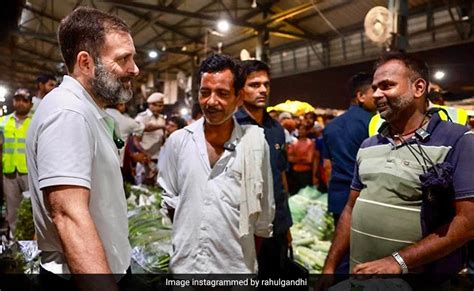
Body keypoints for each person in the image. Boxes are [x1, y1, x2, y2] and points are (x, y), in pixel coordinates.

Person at [322, 52, 474, 281]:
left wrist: (399, 261)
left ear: (419, 88)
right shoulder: (368, 144)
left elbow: (469, 222)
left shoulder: (458, 139)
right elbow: (350, 209)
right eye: (374, 88)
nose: (376, 94)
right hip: (362, 281)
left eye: (386, 86)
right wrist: (330, 266)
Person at [26, 7, 139, 289]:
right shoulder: (68, 113)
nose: (134, 69)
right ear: (86, 63)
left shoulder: (88, 111)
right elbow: (68, 216)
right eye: (123, 59)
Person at [158, 54, 275, 273]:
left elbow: (263, 219)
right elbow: (171, 203)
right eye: (205, 92)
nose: (211, 102)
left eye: (222, 93)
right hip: (187, 270)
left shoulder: (255, 144)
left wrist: (239, 260)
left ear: (239, 98)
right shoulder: (178, 142)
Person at [235, 59, 292, 278]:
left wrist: (285, 225)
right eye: (254, 84)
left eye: (266, 84)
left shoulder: (276, 128)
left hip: (274, 226)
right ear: (240, 89)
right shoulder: (231, 126)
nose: (263, 90)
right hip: (243, 228)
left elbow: (281, 176)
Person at [322, 72, 376, 226]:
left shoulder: (330, 126)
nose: (379, 95)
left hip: (338, 197)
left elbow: (327, 167)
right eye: (374, 90)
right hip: (367, 197)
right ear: (361, 96)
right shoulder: (374, 123)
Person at [0, 88, 33, 239]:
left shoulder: (35, 121)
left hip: (29, 172)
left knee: (32, 209)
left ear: (30, 103)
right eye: (17, 99)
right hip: (9, 172)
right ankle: (14, 242)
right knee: (12, 210)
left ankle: (33, 242)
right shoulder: (3, 121)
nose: (20, 103)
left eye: (24, 100)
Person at [105, 102, 145, 182]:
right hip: (116, 164)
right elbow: (141, 128)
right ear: (120, 105)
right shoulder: (126, 121)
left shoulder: (97, 114)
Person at [134, 92, 166, 184]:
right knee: (142, 188)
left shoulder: (161, 118)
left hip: (158, 159)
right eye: (158, 106)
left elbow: (162, 139)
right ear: (150, 105)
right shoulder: (142, 117)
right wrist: (145, 154)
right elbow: (136, 140)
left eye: (161, 106)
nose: (160, 108)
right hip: (145, 159)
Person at [287, 124, 319, 194]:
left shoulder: (310, 143)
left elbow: (309, 160)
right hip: (295, 173)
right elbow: (289, 158)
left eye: (303, 129)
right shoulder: (294, 143)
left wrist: (295, 158)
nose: (301, 131)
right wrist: (301, 159)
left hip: (306, 173)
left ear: (307, 131)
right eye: (299, 129)